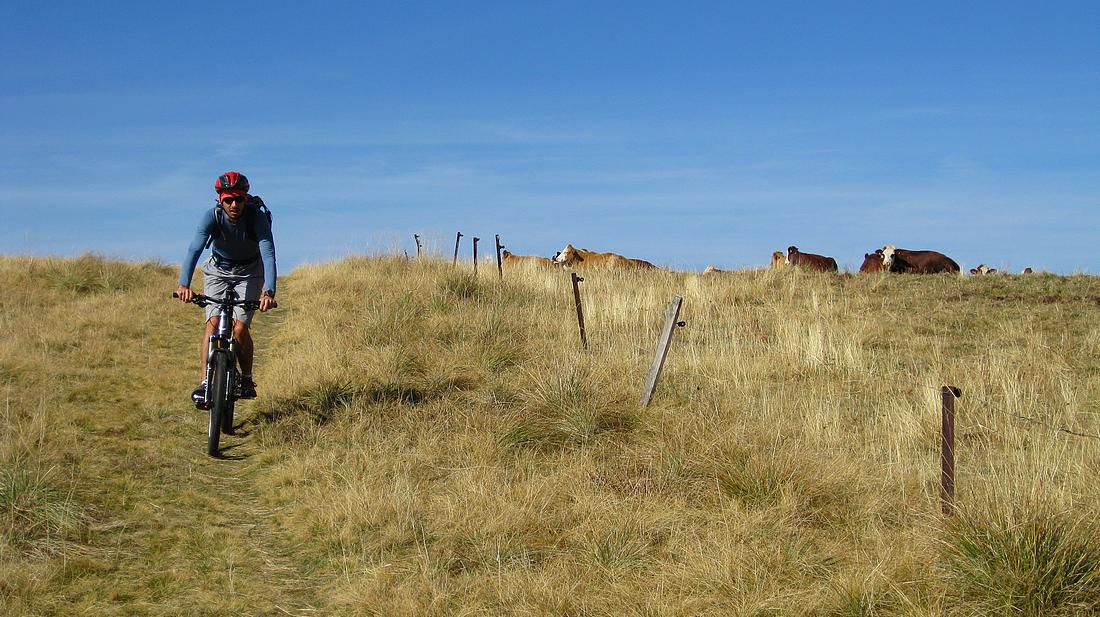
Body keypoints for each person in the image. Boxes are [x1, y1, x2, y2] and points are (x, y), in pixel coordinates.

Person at [176, 171, 277, 403]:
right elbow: (194, 250)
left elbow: (268, 252)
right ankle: (205, 383)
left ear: (246, 198)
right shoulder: (211, 217)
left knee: (240, 329)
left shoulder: (256, 218)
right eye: (228, 199)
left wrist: (268, 291)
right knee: (212, 327)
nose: (234, 204)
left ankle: (247, 378)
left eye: (239, 199)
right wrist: (184, 284)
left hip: (250, 271)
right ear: (220, 200)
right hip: (217, 270)